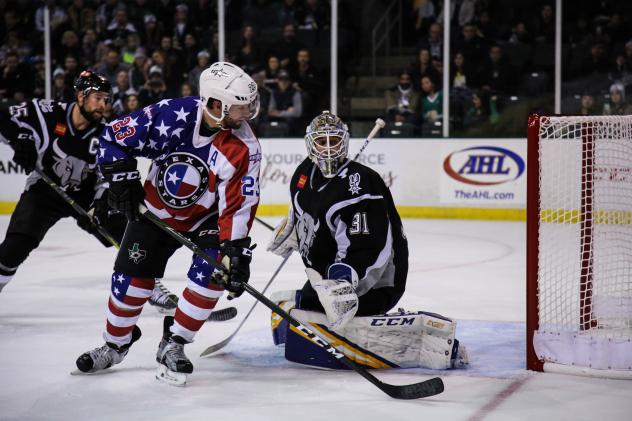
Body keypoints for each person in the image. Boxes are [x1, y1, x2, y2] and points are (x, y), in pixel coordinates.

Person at [75, 62, 262, 386]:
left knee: (213, 273)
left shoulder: (244, 146)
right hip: (155, 214)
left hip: (206, 220)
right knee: (130, 284)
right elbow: (112, 136)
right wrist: (122, 178)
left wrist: (235, 249)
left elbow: (239, 204)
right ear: (216, 105)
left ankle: (173, 343)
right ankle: (115, 344)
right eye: (241, 106)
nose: (248, 113)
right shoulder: (172, 116)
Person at [267, 111, 467, 370]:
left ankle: (430, 343)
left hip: (374, 282)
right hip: (328, 279)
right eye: (322, 142)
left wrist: (343, 283)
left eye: (334, 141)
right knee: (292, 306)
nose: (328, 148)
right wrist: (294, 231)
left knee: (310, 309)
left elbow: (369, 248)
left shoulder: (364, 186)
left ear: (345, 142)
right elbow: (304, 212)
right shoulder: (304, 173)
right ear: (310, 144)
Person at [0, 70, 175, 308]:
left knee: (125, 233)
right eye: (98, 98)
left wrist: (101, 202)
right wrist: (20, 138)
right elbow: (5, 116)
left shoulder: (107, 132)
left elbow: (107, 176)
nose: (104, 104)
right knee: (15, 248)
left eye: (107, 99)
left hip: (86, 196)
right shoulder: (49, 113)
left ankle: (149, 285)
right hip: (44, 191)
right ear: (80, 96)